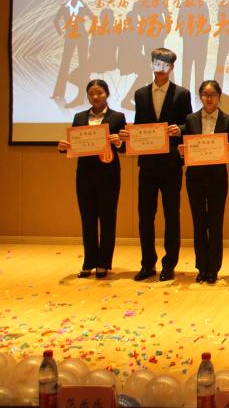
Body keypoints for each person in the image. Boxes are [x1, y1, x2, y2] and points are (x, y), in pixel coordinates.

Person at [120, 47, 192, 282]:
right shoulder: (140, 94)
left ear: (171, 67)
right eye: (156, 63)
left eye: (165, 64)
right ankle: (147, 263)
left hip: (171, 163)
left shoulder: (182, 93)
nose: (160, 69)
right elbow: (140, 125)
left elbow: (190, 123)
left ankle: (169, 264)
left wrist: (179, 129)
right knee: (145, 215)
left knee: (172, 215)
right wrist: (130, 135)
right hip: (148, 164)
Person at [57, 79, 126, 279]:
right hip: (85, 175)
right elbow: (75, 145)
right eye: (91, 94)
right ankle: (89, 262)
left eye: (99, 93)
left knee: (107, 218)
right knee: (87, 218)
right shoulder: (79, 117)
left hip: (109, 175)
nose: (95, 97)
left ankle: (103, 263)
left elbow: (123, 147)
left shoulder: (117, 117)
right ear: (87, 96)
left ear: (107, 94)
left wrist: (119, 142)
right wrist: (64, 147)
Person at [180, 80, 229, 284]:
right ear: (200, 96)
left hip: (218, 178)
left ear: (219, 96)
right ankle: (201, 266)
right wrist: (182, 151)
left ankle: (214, 268)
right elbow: (186, 148)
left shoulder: (228, 120)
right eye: (205, 94)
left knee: (215, 223)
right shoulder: (190, 119)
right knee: (198, 223)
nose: (209, 98)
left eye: (212, 94)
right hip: (194, 178)